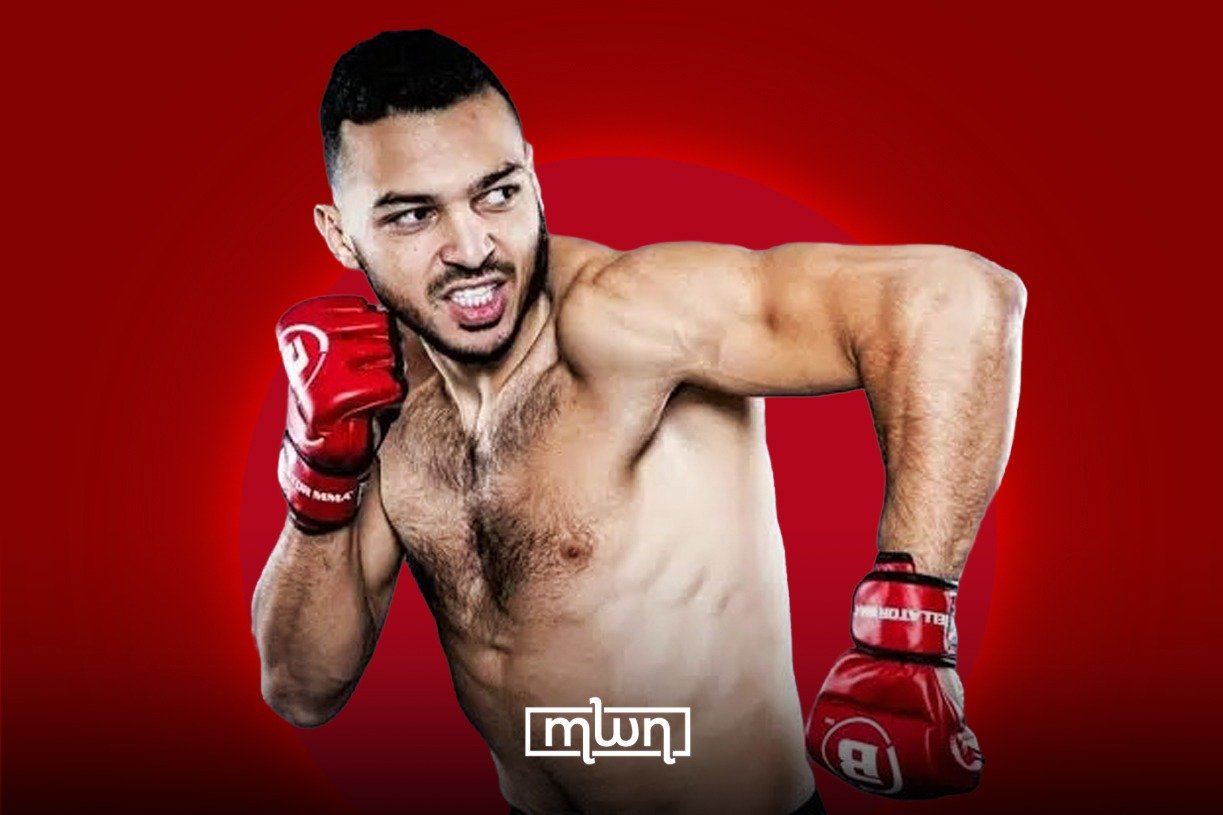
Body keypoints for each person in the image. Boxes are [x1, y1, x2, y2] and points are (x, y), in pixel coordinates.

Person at [251, 29, 1025, 815]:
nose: (473, 247)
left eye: (498, 193)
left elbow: (956, 300)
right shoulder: (379, 394)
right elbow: (302, 688)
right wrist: (319, 486)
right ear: (340, 234)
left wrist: (908, 618)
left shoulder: (627, 318)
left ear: (532, 175)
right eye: (414, 215)